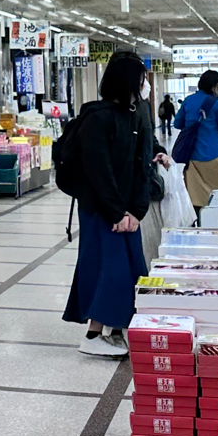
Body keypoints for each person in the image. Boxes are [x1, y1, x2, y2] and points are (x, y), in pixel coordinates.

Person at [63, 52, 168, 358]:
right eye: (141, 78)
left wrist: (136, 211)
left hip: (125, 211)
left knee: (129, 269)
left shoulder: (134, 113)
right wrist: (116, 212)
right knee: (108, 269)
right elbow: (98, 170)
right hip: (101, 209)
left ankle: (115, 331)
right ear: (128, 80)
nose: (145, 84)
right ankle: (94, 335)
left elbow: (140, 163)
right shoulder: (97, 117)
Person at [173, 68, 218, 209]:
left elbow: (177, 124)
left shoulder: (188, 101)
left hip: (193, 158)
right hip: (216, 156)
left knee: (198, 199)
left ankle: (200, 227)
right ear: (214, 86)